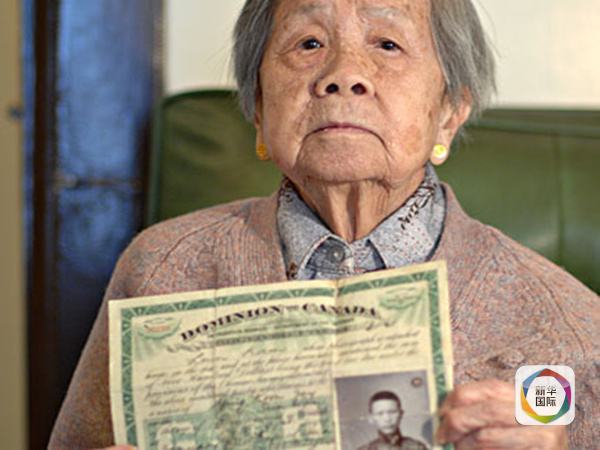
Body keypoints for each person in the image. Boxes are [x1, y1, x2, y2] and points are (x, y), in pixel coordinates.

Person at [49, 0, 599, 448]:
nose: (344, 76)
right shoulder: (161, 271)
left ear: (449, 113)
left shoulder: (566, 333)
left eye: (387, 44)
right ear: (258, 108)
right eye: (308, 43)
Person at [358, 391, 428, 450]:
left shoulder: (417, 447)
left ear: (401, 414)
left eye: (392, 412)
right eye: (380, 413)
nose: (387, 419)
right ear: (371, 418)